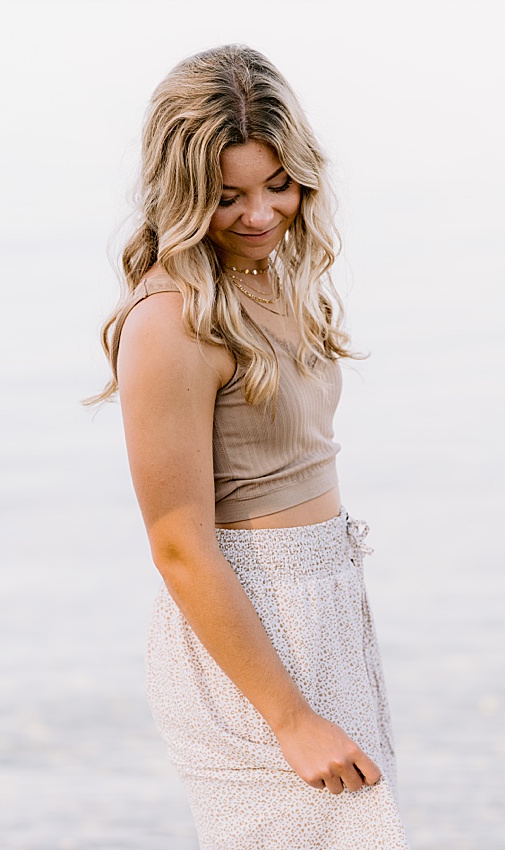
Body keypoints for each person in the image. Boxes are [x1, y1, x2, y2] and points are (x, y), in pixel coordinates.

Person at [93, 46, 409, 847]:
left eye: (279, 186)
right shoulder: (169, 321)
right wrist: (291, 716)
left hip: (326, 610)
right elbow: (176, 544)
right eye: (228, 197)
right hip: (255, 633)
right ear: (183, 195)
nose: (263, 214)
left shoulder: (265, 276)